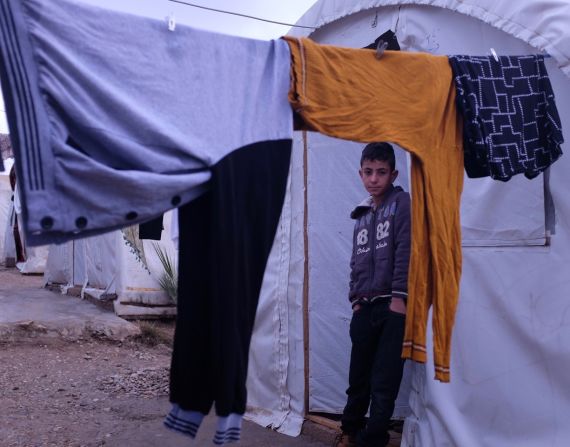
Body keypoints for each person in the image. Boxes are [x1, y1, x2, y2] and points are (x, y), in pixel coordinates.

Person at [335, 142, 411, 447]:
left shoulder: (402, 203)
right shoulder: (362, 214)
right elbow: (357, 260)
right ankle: (350, 431)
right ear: (360, 173)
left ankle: (374, 439)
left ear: (393, 173)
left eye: (381, 172)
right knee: (358, 378)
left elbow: (406, 250)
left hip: (391, 306)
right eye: (368, 172)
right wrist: (355, 300)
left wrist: (399, 298)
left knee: (384, 379)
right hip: (364, 308)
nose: (374, 179)